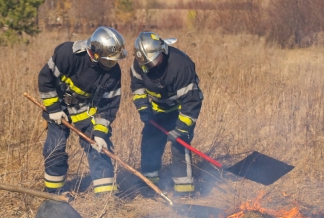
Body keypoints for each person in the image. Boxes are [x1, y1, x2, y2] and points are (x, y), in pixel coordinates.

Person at [38, 26, 126, 195]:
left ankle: (106, 195)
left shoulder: (113, 72)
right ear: (94, 53)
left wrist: (100, 133)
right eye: (108, 60)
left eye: (114, 60)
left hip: (85, 110)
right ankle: (54, 193)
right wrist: (54, 109)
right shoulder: (68, 55)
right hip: (59, 107)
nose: (112, 65)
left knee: (99, 147)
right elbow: (45, 79)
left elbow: (108, 106)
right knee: (55, 147)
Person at [131, 32, 204, 195]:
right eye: (147, 63)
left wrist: (180, 129)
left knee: (180, 145)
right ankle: (149, 186)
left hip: (180, 109)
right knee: (150, 142)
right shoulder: (140, 63)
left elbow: (191, 102)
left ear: (162, 50)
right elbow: (137, 86)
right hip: (157, 109)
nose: (151, 66)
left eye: (153, 61)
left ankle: (184, 191)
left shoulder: (180, 66)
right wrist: (143, 108)